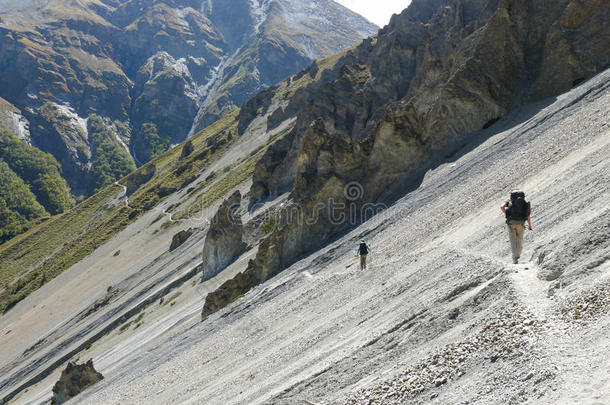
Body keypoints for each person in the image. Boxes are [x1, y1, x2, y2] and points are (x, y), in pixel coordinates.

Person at [501, 190, 532, 264]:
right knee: (519, 241)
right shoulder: (525, 204)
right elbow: (527, 215)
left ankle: (515, 259)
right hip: (521, 224)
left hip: (511, 223)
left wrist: (507, 214)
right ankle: (518, 256)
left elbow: (501, 207)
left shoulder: (509, 203)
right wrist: (530, 225)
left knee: (513, 241)